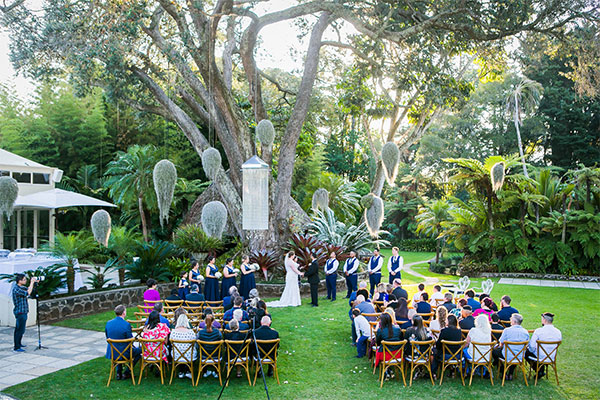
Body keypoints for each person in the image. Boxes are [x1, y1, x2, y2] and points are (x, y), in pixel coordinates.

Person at [105, 304, 141, 380]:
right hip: (124, 353)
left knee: (119, 348)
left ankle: (119, 373)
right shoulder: (126, 324)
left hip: (113, 352)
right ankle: (127, 372)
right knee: (140, 351)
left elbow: (108, 338)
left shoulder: (108, 323)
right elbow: (130, 340)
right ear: (124, 313)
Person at [492, 313, 530, 380]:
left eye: (511, 319)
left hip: (507, 355)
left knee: (494, 352)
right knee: (515, 353)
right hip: (520, 356)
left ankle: (503, 371)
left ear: (514, 321)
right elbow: (527, 345)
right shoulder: (525, 332)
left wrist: (501, 346)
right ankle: (510, 373)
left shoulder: (507, 330)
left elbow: (501, 344)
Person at [527, 312, 562, 379]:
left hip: (540, 356)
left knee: (526, 352)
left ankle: (538, 370)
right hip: (551, 356)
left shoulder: (539, 331)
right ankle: (540, 369)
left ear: (544, 320)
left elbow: (531, 347)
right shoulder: (558, 332)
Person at [11, 273, 37, 352]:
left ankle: (19, 343)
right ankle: (17, 347)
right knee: (19, 330)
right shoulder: (17, 289)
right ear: (19, 281)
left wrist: (34, 283)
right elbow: (27, 293)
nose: (26, 281)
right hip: (20, 312)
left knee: (21, 329)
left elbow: (29, 289)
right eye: (24, 280)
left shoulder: (20, 287)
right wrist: (32, 282)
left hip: (23, 311)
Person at [170, 313, 197, 379]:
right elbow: (194, 343)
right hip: (189, 356)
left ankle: (181, 371)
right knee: (193, 349)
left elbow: (171, 344)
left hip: (176, 355)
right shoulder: (191, 332)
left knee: (181, 349)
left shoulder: (173, 332)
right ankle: (188, 370)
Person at [197, 314, 223, 379]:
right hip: (216, 356)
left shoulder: (200, 333)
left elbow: (197, 345)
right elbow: (221, 343)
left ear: (205, 322)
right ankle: (215, 371)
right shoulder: (217, 332)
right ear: (213, 321)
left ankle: (205, 371)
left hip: (203, 356)